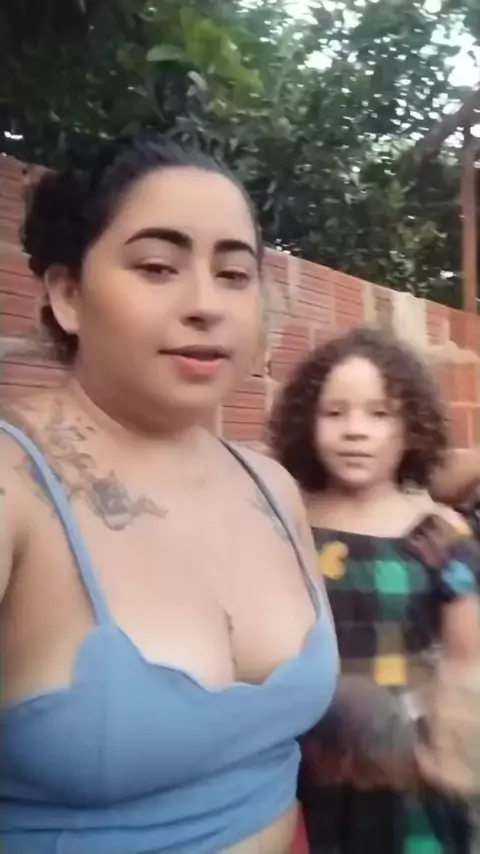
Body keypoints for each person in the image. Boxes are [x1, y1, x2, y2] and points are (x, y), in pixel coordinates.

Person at [0, 136, 338, 854]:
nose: (205, 305)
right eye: (158, 267)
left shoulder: (273, 487)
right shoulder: (14, 485)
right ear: (67, 295)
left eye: (234, 274)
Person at [269, 326, 480, 854]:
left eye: (378, 413)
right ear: (307, 422)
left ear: (411, 428)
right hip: (304, 767)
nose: (355, 431)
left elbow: (468, 659)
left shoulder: (435, 532)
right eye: (334, 413)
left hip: (408, 774)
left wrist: (452, 759)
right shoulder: (287, 525)